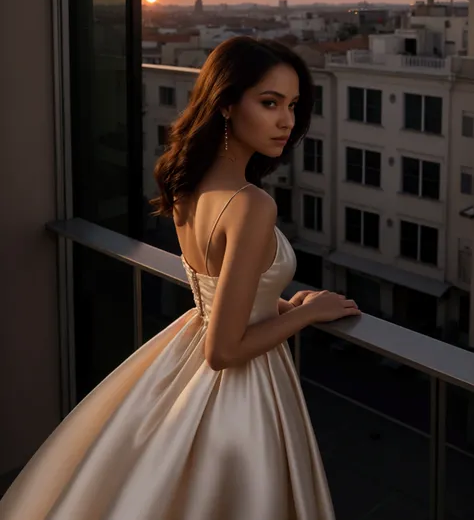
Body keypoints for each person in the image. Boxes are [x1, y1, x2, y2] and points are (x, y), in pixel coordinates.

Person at [0, 36, 360, 520]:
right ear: (227, 105)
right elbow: (224, 350)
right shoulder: (251, 204)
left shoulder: (189, 181)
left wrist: (282, 306)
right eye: (270, 102)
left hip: (186, 347)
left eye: (293, 105)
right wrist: (309, 313)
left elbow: (221, 289)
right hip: (239, 387)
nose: (287, 121)